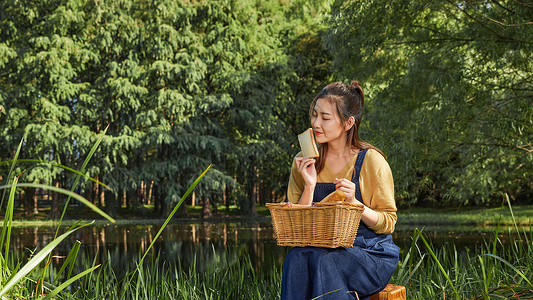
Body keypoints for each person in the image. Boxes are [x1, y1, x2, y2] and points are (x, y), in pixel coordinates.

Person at [281, 81, 400, 300]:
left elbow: (388, 222)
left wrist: (356, 205)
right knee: (296, 258)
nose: (316, 123)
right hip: (320, 248)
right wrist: (309, 185)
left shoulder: (371, 161)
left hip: (370, 254)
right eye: (315, 115)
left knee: (325, 261)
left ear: (348, 123)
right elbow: (298, 233)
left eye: (325, 118)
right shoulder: (303, 160)